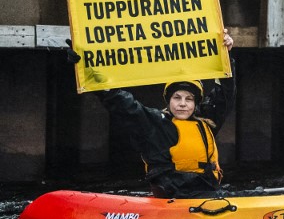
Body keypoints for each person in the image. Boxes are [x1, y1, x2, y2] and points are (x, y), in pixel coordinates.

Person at [70, 31, 236, 199]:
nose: (182, 104)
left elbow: (225, 94)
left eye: (189, 99)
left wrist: (225, 56)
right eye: (177, 98)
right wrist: (88, 69)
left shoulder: (207, 122)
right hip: (171, 196)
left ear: (195, 103)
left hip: (209, 193)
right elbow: (121, 103)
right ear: (168, 101)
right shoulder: (155, 124)